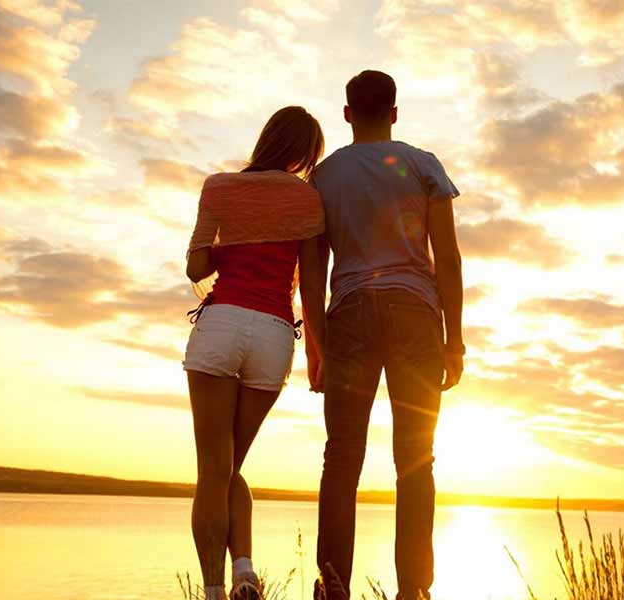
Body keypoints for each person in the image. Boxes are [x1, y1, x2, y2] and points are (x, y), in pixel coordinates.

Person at [303, 70, 465, 600]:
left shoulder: (324, 177)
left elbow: (311, 268)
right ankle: (414, 591)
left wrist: (317, 345)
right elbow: (448, 259)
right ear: (395, 113)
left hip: (349, 315)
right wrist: (454, 340)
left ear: (347, 113)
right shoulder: (423, 166)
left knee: (342, 457)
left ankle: (332, 587)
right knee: (416, 458)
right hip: (416, 316)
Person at [183, 106, 327, 600]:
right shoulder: (309, 198)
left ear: (267, 138)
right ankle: (244, 569)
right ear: (305, 153)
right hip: (272, 335)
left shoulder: (219, 186)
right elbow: (311, 284)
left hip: (222, 325)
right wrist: (317, 354)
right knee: (229, 469)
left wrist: (230, 248)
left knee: (213, 471)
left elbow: (196, 266)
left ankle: (214, 591)